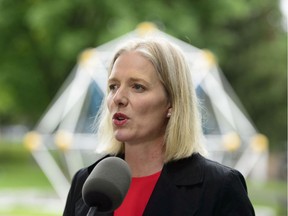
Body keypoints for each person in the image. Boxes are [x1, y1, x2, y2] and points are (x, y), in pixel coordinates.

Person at [63, 38, 255, 216]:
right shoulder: (84, 182)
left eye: (137, 86)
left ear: (171, 102)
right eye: (113, 86)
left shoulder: (220, 187)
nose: (118, 98)